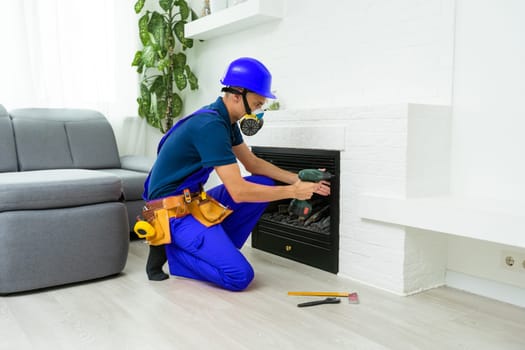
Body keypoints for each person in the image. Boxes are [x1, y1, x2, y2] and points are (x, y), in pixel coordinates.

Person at [141, 57, 331, 291]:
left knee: (263, 181)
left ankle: (213, 249)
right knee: (239, 277)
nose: (259, 110)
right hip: (171, 213)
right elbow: (238, 192)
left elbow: (252, 163)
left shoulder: (225, 120)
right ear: (236, 94)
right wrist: (292, 191)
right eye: (257, 103)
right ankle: (179, 256)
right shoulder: (210, 126)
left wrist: (296, 178)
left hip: (192, 203)